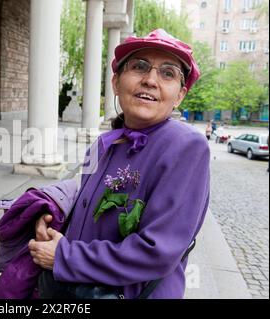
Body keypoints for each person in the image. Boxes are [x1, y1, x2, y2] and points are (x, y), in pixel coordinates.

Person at [28, 29, 210, 299]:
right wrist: (53, 224)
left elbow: (157, 251)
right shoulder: (103, 144)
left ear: (180, 95)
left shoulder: (186, 147)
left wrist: (64, 256)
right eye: (139, 67)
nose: (150, 80)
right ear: (115, 81)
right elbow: (86, 210)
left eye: (167, 73)